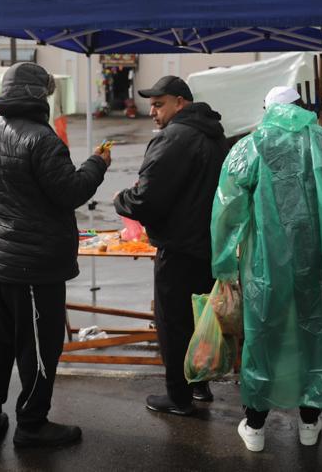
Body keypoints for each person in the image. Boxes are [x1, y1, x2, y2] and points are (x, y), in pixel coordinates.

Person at [212, 86, 322, 452]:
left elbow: (228, 210)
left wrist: (224, 263)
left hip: (265, 266)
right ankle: (310, 423)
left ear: (268, 109)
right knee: (316, 335)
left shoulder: (251, 145)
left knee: (264, 337)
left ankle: (256, 428)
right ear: (300, 107)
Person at [0, 62, 111, 450]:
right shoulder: (42, 139)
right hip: (32, 267)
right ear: (37, 95)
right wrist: (98, 164)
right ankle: (31, 424)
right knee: (39, 349)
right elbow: (71, 192)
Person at [114, 75, 226, 416]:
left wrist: (122, 200)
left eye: (159, 103)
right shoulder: (217, 135)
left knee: (174, 325)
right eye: (151, 103)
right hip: (209, 248)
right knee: (201, 321)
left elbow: (146, 199)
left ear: (181, 102)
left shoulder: (174, 138)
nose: (152, 111)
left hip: (178, 250)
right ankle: (199, 384)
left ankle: (179, 398)